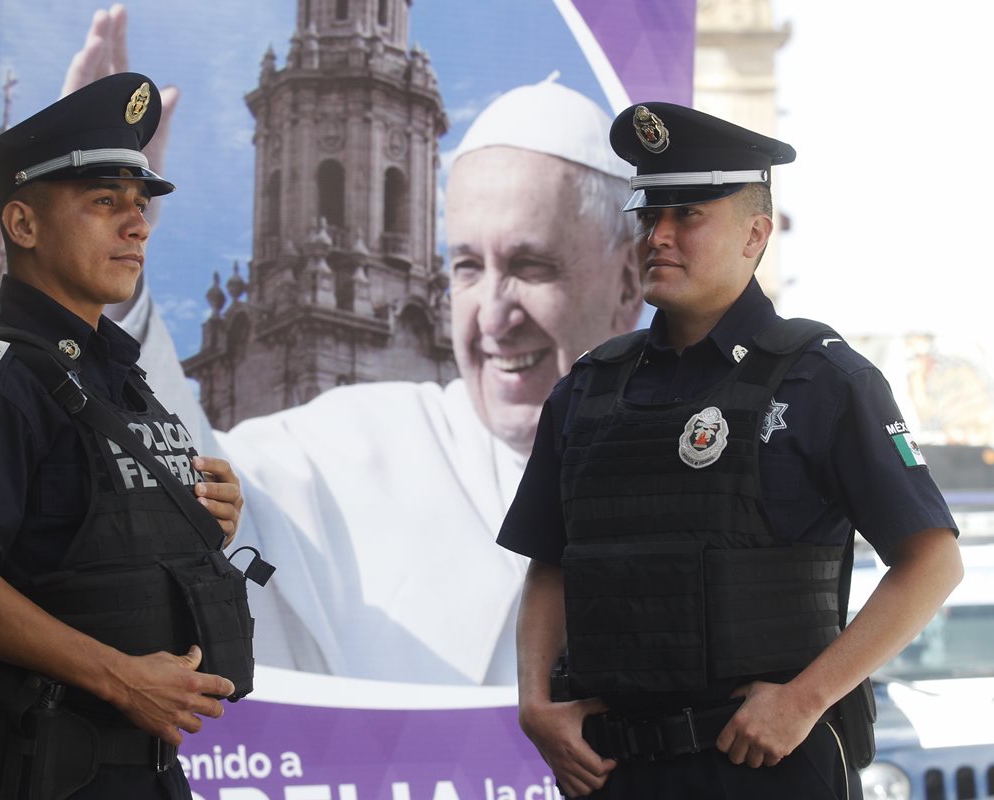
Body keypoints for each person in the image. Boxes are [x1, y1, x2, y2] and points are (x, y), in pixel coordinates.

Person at [498, 102, 964, 799]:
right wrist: (535, 703)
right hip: (612, 772)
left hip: (763, 769)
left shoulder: (823, 379)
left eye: (688, 215)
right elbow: (551, 565)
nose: (658, 235)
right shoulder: (589, 389)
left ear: (755, 234)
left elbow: (933, 563)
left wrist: (805, 700)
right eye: (649, 215)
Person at [114, 74, 644, 685]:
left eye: (530, 266)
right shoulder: (348, 445)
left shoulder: (695, 455)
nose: (495, 317)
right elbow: (192, 490)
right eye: (468, 266)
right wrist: (110, 288)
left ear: (627, 283)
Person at [0, 73, 257, 799]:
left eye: (140, 204)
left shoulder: (119, 379)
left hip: (143, 772)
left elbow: (102, 550)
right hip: (34, 773)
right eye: (104, 203)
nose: (137, 225)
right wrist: (122, 680)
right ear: (22, 225)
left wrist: (206, 517)